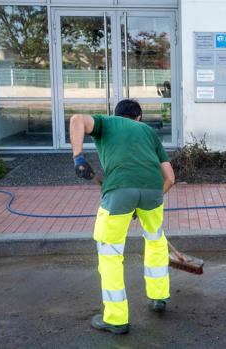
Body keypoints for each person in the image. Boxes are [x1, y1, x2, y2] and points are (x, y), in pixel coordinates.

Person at [69, 99, 175, 334]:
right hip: (153, 192)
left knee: (110, 252)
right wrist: (147, 200)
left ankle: (116, 319)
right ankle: (158, 298)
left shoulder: (107, 123)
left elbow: (76, 120)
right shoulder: (148, 132)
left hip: (119, 190)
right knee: (156, 242)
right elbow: (170, 178)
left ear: (117, 115)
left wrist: (78, 158)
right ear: (139, 118)